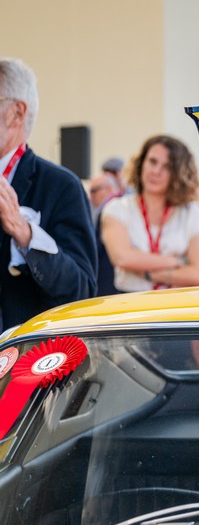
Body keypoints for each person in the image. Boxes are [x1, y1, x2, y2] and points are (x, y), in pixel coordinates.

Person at [0, 57, 97, 330]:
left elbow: (82, 292)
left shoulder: (61, 185)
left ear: (17, 113)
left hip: (22, 358)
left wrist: (26, 235)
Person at [101, 135, 199, 291]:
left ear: (179, 173)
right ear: (141, 163)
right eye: (152, 161)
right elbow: (122, 258)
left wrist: (149, 274)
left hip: (177, 307)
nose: (156, 171)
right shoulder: (118, 208)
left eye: (167, 167)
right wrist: (175, 262)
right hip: (129, 303)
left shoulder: (192, 212)